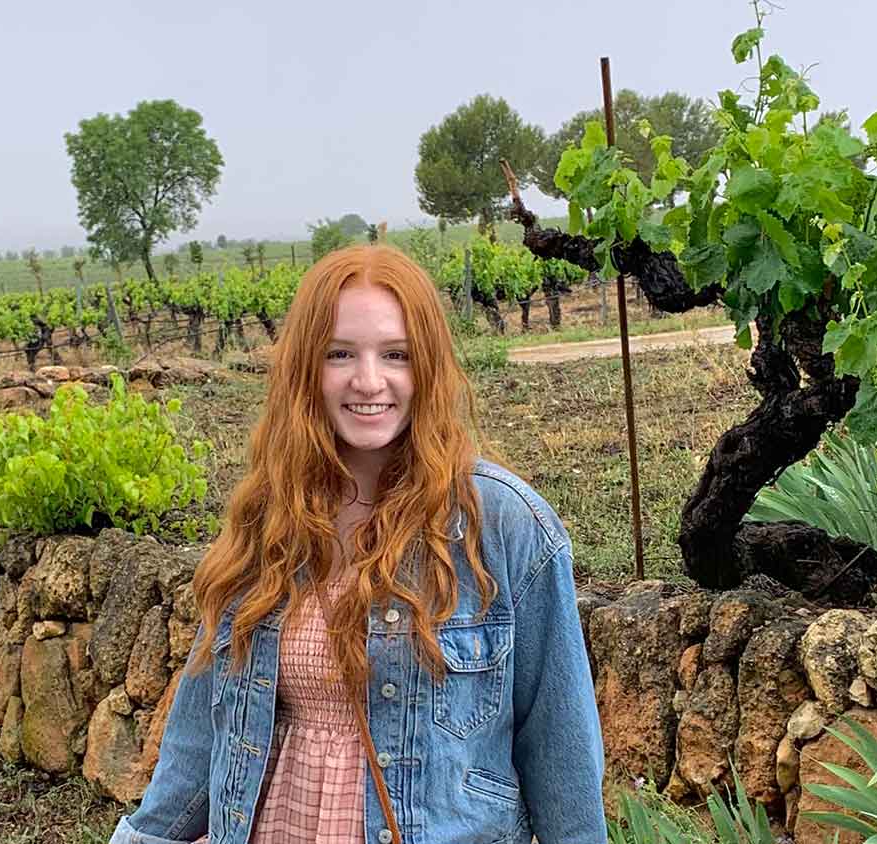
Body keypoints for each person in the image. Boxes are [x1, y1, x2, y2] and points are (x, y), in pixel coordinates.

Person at [109, 244, 604, 844]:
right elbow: (199, 735)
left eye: (395, 354)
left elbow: (560, 748)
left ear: (427, 367)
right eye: (340, 354)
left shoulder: (502, 525)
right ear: (306, 371)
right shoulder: (270, 519)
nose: (369, 381)